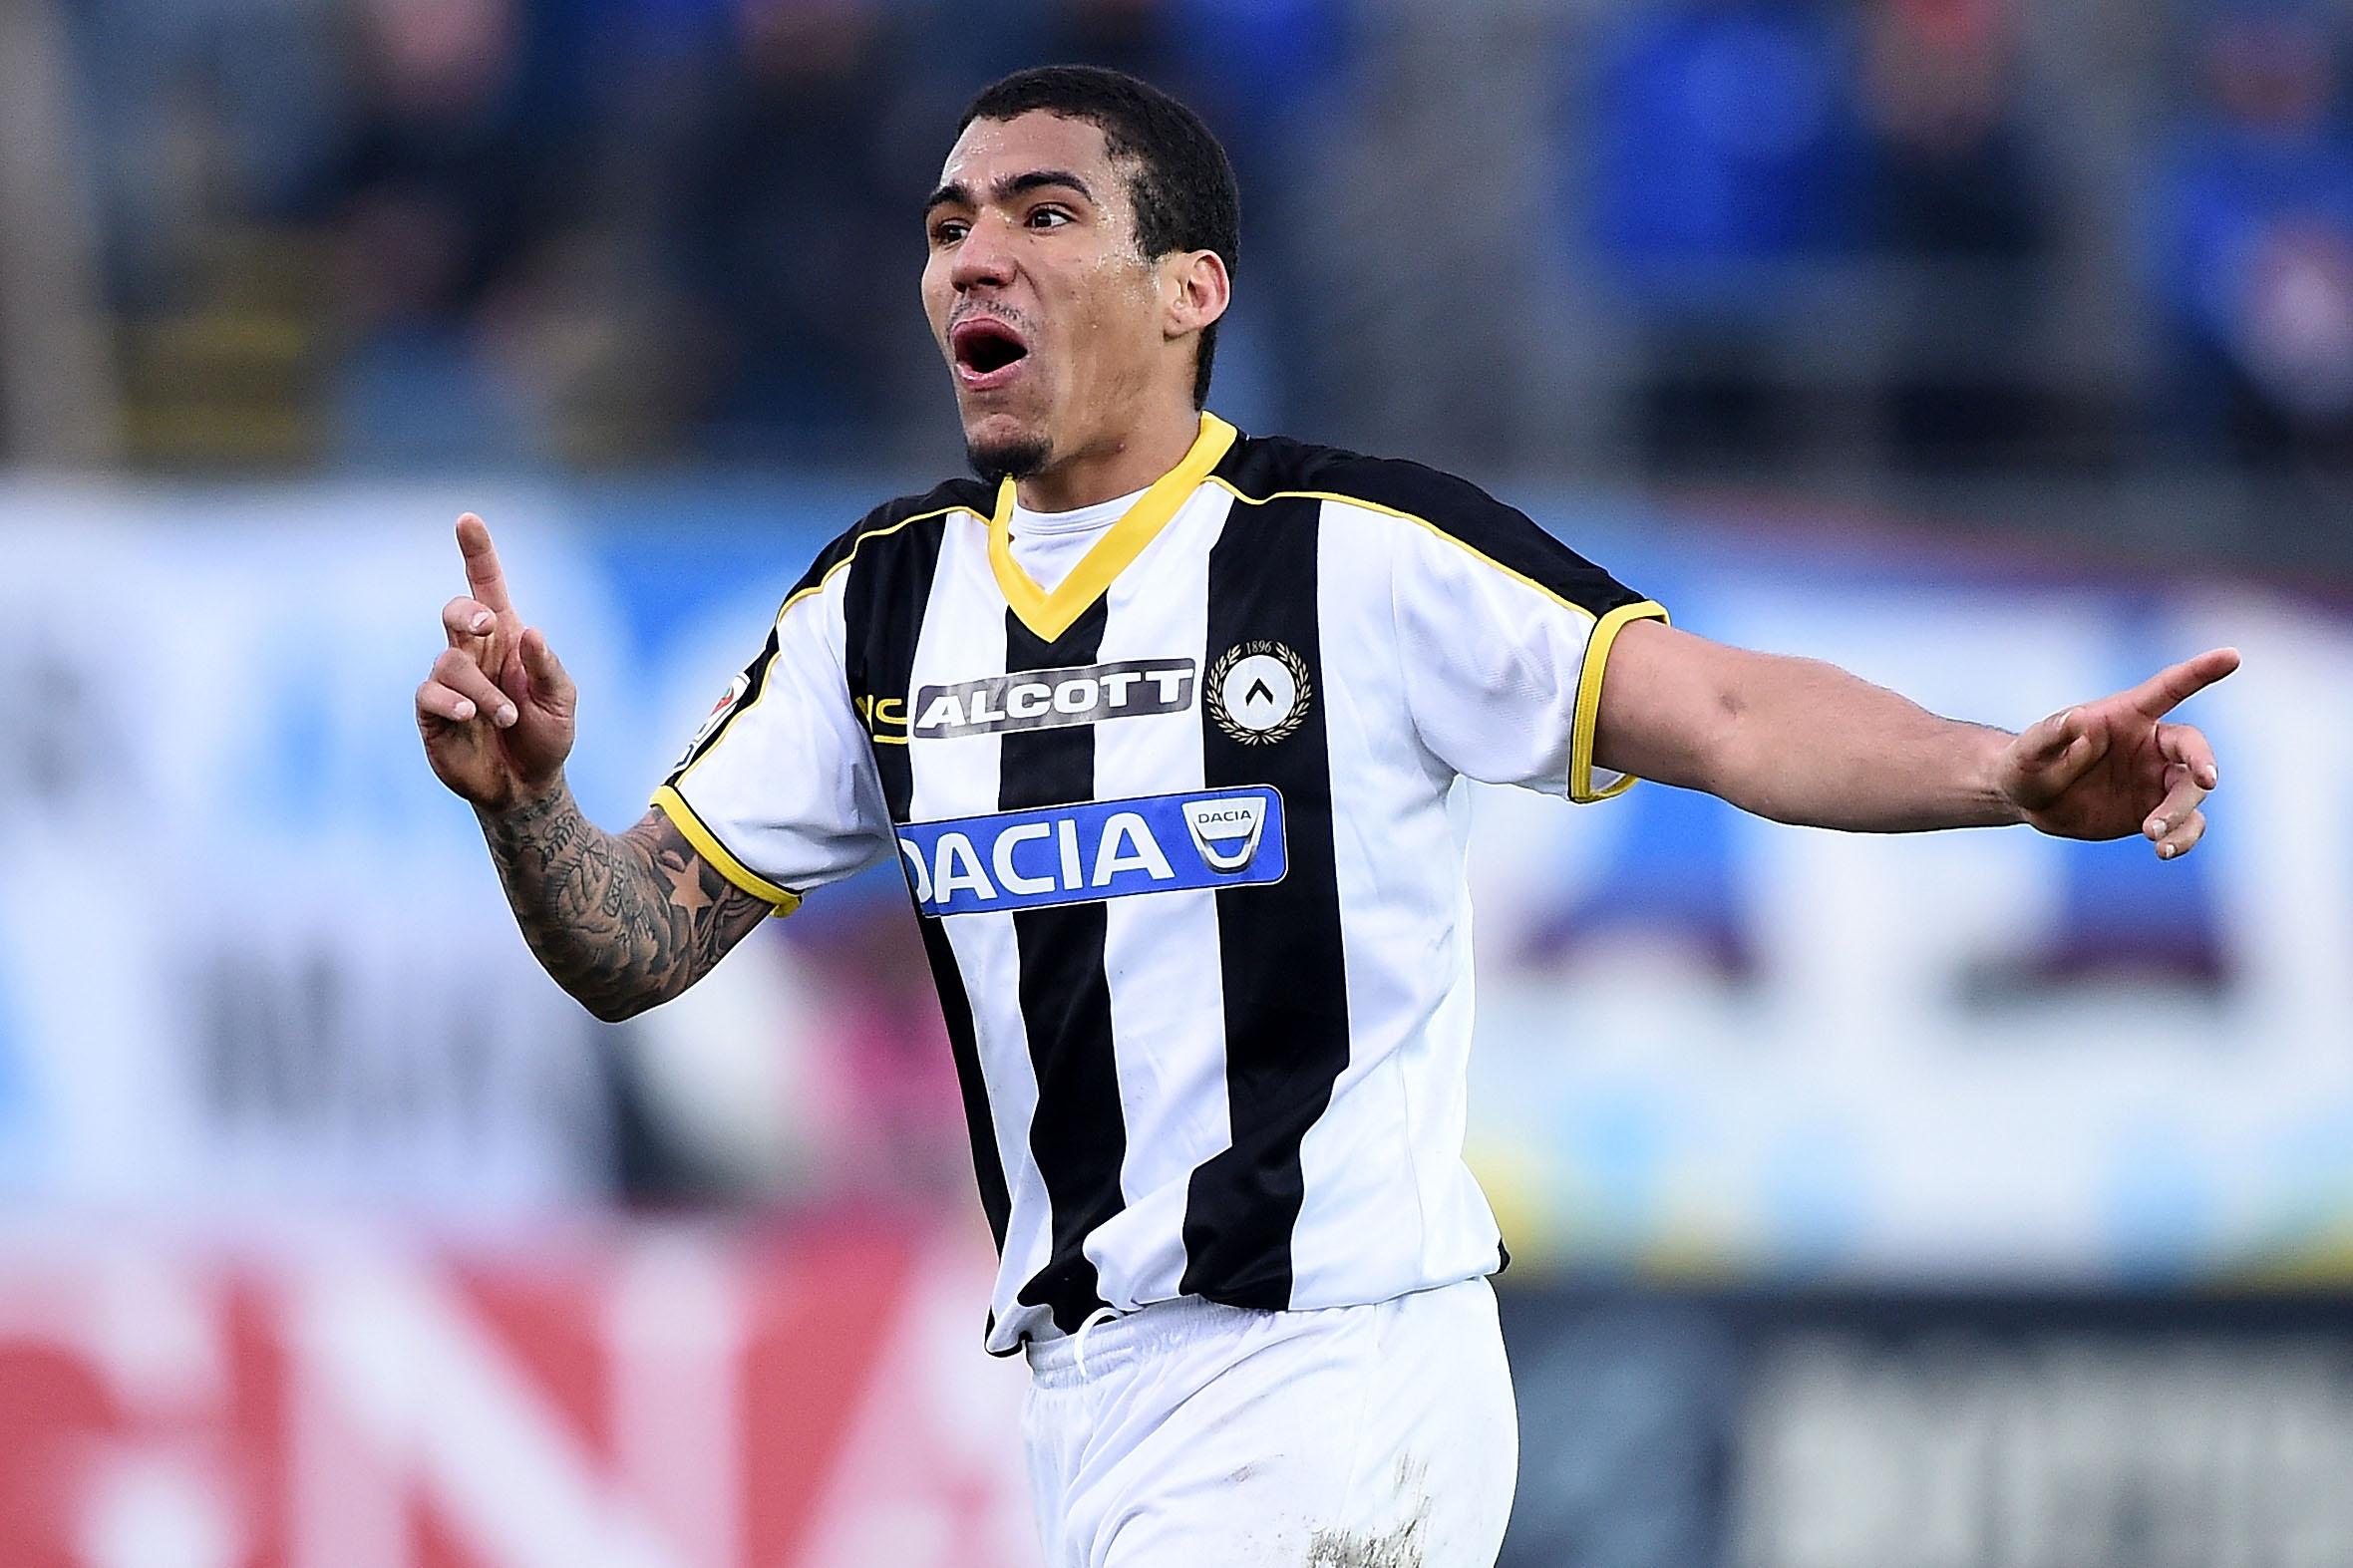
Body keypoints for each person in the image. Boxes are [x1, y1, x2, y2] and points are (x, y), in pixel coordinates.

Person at [416, 65, 2236, 1568]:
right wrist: (529, 804)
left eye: (1045, 214)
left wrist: (1999, 770)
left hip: (1336, 1366)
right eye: (950, 224)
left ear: (1191, 289)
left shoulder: (1356, 555)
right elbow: (633, 941)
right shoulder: (874, 610)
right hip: (1090, 1398)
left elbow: (1726, 708)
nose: (978, 253)